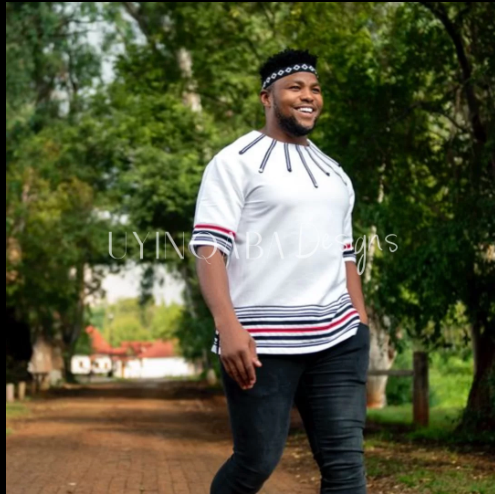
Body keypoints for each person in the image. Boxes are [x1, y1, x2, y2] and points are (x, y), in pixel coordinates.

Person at [189, 48, 370, 494]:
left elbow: (344, 255)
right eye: (295, 87)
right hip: (261, 343)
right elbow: (210, 248)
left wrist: (361, 324)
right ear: (267, 97)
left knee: (346, 469)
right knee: (256, 462)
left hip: (338, 339)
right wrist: (227, 325)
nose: (308, 96)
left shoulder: (334, 172)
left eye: (315, 88)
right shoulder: (235, 162)